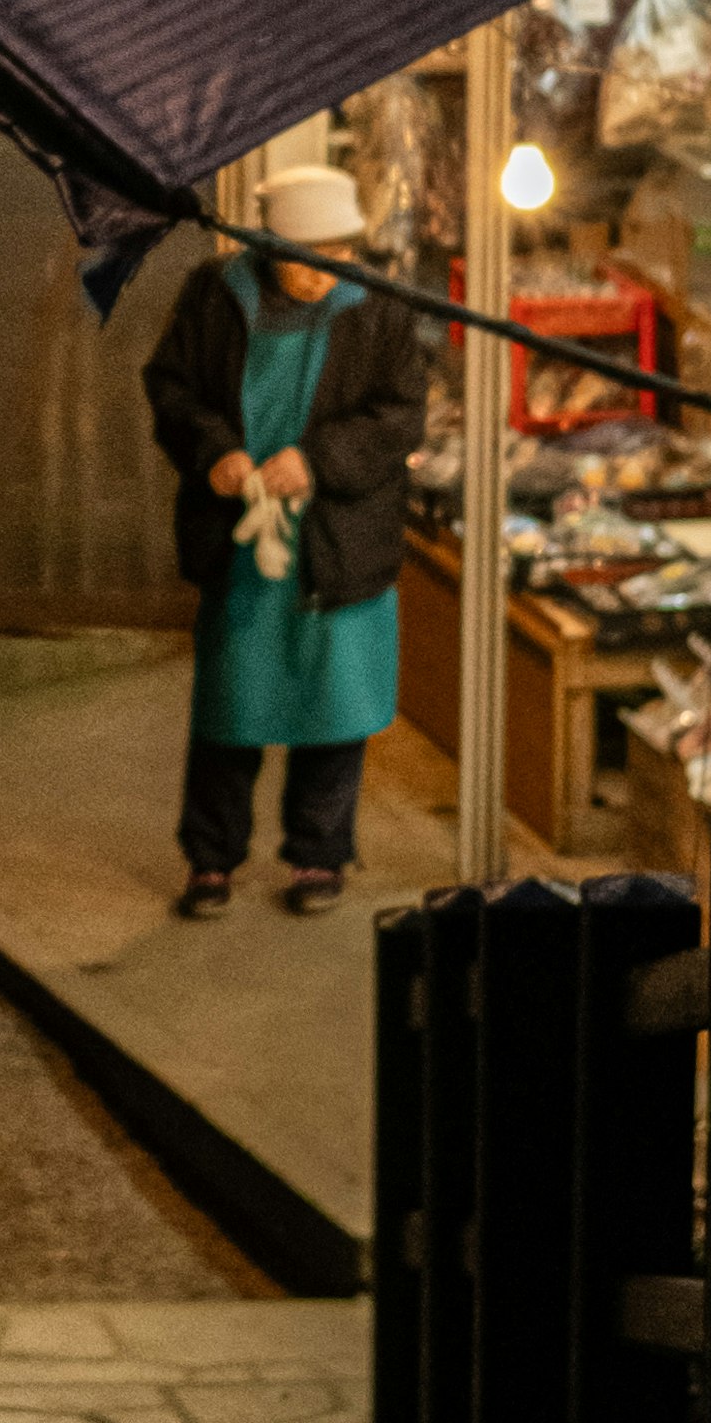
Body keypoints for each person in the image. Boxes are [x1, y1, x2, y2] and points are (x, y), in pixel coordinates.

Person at [144, 164, 437, 917]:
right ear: (268, 248)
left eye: (336, 256)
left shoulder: (381, 312)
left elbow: (400, 413)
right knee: (231, 711)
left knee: (335, 709)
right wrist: (215, 453)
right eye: (305, 259)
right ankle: (211, 861)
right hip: (241, 543)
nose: (320, 276)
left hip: (341, 541)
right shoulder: (216, 296)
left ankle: (319, 856)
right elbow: (171, 386)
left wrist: (317, 459)